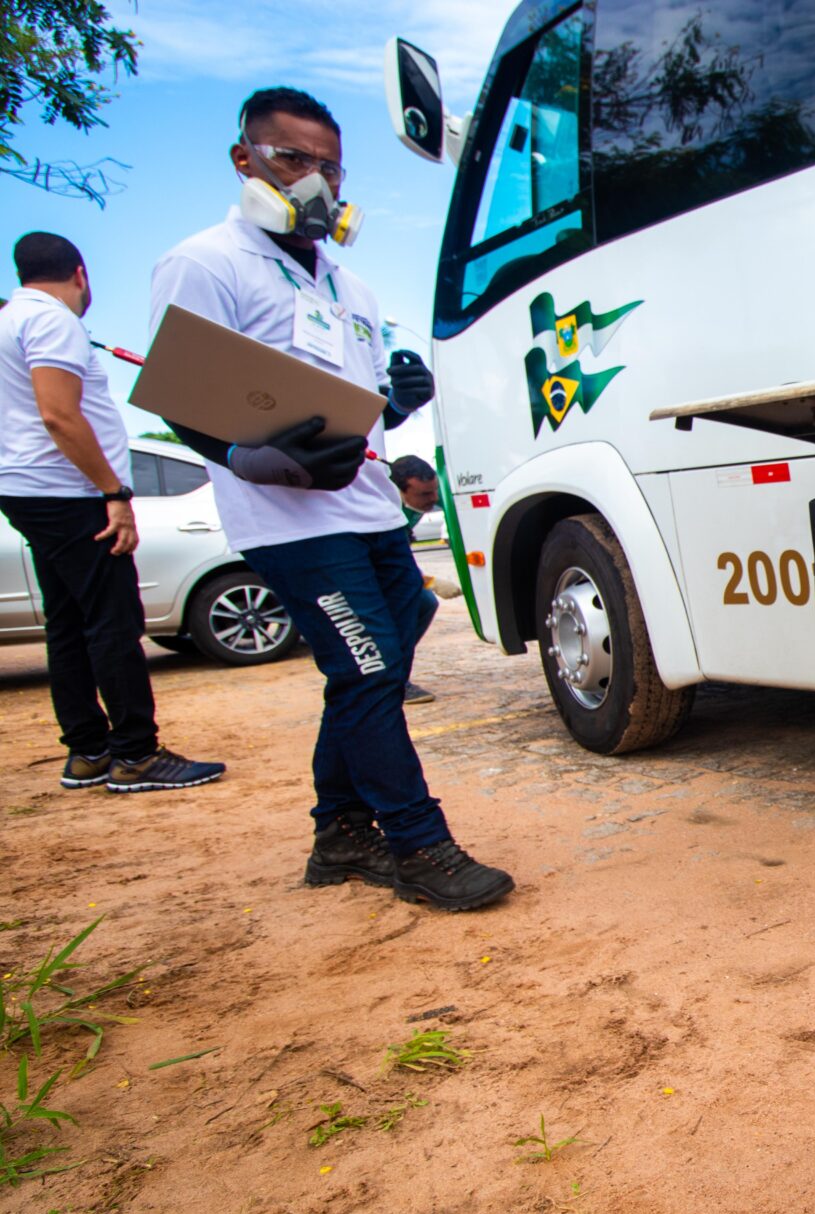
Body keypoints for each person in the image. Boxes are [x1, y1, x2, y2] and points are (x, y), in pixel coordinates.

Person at [149, 87, 512, 911]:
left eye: (331, 167)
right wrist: (247, 456)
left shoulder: (347, 283)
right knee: (368, 665)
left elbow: (342, 407)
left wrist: (397, 401)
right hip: (288, 521)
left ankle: (341, 834)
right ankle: (418, 846)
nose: (317, 181)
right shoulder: (205, 262)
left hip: (368, 507)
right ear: (245, 160)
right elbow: (183, 394)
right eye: (293, 160)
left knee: (384, 654)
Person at [0, 233, 225, 794]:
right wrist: (115, 493)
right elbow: (59, 415)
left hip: (28, 488)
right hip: (66, 491)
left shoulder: (9, 320)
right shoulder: (52, 321)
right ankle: (136, 754)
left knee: (68, 622)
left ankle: (87, 751)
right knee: (112, 621)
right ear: (80, 274)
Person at [387, 453, 440, 706]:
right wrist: (430, 581)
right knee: (410, 605)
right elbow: (392, 560)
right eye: (424, 495)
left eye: (434, 492)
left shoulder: (417, 503)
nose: (434, 500)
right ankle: (395, 682)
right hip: (373, 571)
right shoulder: (387, 509)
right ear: (400, 491)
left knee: (425, 604)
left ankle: (393, 670)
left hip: (397, 567)